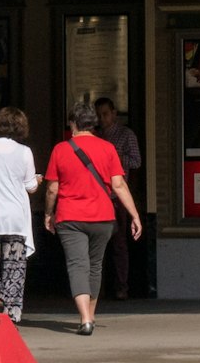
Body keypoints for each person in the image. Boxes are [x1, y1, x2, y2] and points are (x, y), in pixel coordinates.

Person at [44, 101, 141, 336]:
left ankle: (85, 318)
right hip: (103, 217)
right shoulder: (108, 149)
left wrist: (48, 213)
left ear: (73, 123)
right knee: (95, 266)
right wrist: (135, 215)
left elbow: (52, 189)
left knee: (78, 265)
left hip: (70, 217)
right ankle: (90, 315)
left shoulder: (61, 149)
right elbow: (119, 184)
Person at [0, 105, 41, 324]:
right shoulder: (24, 152)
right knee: (14, 268)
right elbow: (30, 186)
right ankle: (10, 312)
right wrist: (38, 180)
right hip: (14, 218)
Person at [98, 98, 154, 299]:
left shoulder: (126, 134)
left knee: (119, 243)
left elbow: (137, 161)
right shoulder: (96, 136)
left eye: (105, 113)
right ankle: (100, 288)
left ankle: (122, 287)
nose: (102, 118)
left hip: (119, 195)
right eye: (99, 114)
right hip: (100, 195)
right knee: (99, 244)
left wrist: (116, 157)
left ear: (114, 113)